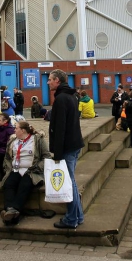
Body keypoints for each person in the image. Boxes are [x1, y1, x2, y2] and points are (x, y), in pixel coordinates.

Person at [48, 69, 85, 229]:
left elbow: (60, 127)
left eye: (50, 79)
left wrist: (57, 152)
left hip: (68, 147)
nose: (48, 82)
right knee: (72, 182)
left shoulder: (62, 99)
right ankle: (78, 216)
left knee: (69, 183)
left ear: (57, 80)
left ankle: (71, 219)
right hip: (74, 143)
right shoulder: (71, 96)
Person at [0, 120, 51, 226]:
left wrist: (37, 167)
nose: (14, 130)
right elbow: (7, 158)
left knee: (25, 184)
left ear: (22, 130)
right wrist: (8, 168)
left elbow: (47, 156)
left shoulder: (37, 140)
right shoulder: (13, 141)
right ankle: (10, 210)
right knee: (8, 184)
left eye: (16, 128)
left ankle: (12, 212)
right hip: (16, 169)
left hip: (32, 171)